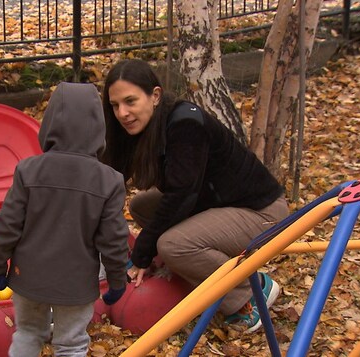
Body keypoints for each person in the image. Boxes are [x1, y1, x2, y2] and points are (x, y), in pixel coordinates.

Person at [100, 59, 289, 333]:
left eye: (130, 101)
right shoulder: (137, 126)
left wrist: (142, 253)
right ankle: (198, 269)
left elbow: (180, 195)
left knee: (173, 245)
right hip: (214, 204)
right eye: (115, 105)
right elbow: (109, 178)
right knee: (143, 206)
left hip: (260, 211)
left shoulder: (185, 123)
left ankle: (251, 291)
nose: (123, 113)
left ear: (155, 96)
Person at [0, 82, 130, 356]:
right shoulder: (109, 181)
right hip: (76, 285)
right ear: (99, 128)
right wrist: (117, 279)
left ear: (49, 123)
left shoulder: (29, 171)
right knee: (71, 344)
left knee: (27, 333)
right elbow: (113, 239)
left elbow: (7, 226)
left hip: (28, 279)